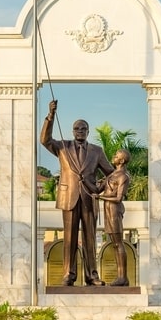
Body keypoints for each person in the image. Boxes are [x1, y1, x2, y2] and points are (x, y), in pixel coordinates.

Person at [41, 100, 113, 286]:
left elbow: (111, 174)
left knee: (90, 238)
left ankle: (92, 276)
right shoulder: (62, 147)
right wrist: (51, 116)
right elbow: (44, 140)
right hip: (69, 198)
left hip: (89, 198)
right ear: (72, 131)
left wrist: (99, 187)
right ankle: (68, 274)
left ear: (88, 132)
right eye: (76, 128)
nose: (80, 131)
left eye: (83, 128)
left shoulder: (97, 151)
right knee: (70, 238)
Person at [95, 149, 131, 286]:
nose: (113, 157)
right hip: (108, 210)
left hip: (115, 210)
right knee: (115, 244)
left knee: (118, 243)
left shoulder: (123, 177)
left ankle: (123, 277)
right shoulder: (111, 175)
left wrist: (101, 197)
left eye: (116, 156)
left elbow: (118, 198)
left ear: (121, 161)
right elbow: (97, 189)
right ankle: (120, 276)